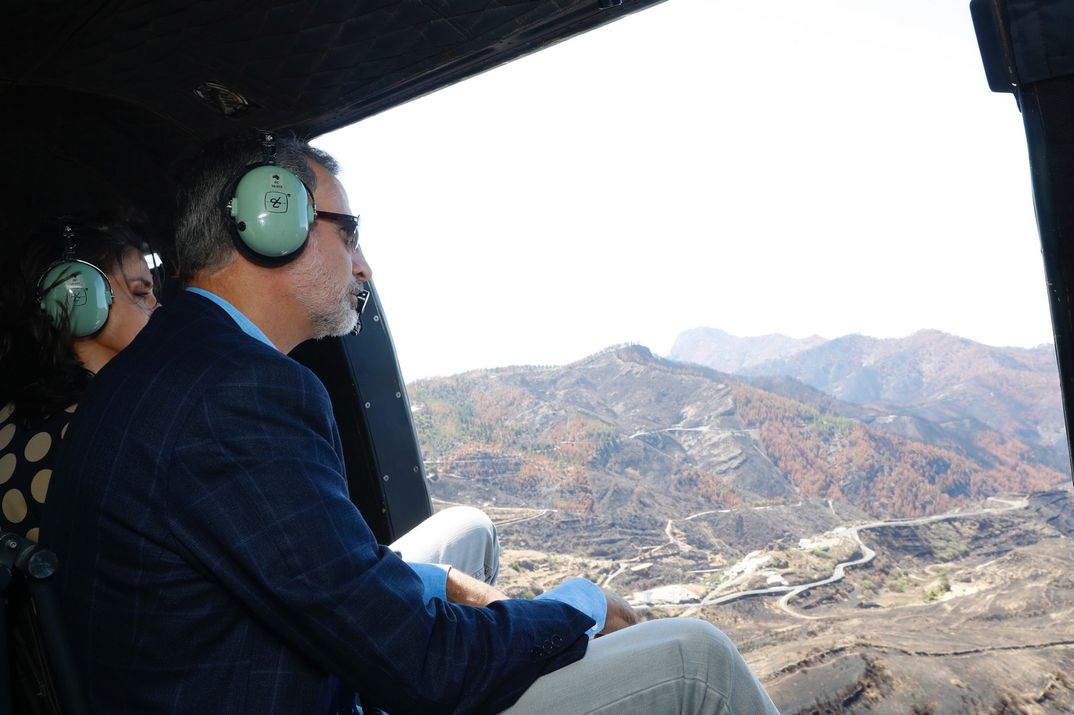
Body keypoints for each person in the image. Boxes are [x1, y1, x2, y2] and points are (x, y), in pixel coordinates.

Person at [42, 132, 779, 714]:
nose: (363, 267)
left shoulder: (165, 366)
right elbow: (423, 668)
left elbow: (303, 563)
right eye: (349, 232)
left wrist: (438, 585)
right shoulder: (239, 391)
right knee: (698, 659)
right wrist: (577, 604)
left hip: (197, 675)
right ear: (272, 221)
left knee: (466, 531)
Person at [0, 217, 161, 541]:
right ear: (77, 298)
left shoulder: (8, 415)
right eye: (140, 292)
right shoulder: (120, 429)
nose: (158, 306)